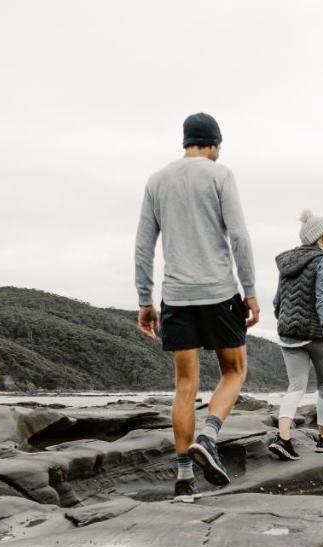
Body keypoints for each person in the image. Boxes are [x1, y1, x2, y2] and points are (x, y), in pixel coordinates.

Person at [134, 112, 259, 503]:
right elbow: (238, 235)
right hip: (220, 293)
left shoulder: (157, 181)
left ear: (186, 142)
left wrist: (144, 300)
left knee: (185, 386)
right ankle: (209, 435)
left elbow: (143, 245)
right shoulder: (220, 175)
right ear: (215, 144)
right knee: (234, 371)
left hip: (178, 297)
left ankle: (184, 477)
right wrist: (250, 291)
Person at [269, 210, 323, 460]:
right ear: (315, 237)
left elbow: (277, 302)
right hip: (318, 334)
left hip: (289, 334)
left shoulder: (286, 264)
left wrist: (288, 323)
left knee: (296, 386)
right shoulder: (322, 262)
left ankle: (283, 438)